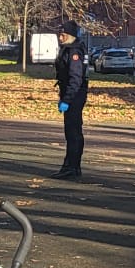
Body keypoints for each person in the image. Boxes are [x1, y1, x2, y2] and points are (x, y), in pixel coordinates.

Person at [54, 21, 88, 179]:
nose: (60, 37)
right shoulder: (69, 49)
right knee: (71, 132)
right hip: (70, 94)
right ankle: (70, 165)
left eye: (62, 34)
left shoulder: (74, 51)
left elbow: (75, 78)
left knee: (73, 132)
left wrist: (67, 99)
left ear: (70, 35)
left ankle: (72, 167)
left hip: (74, 96)